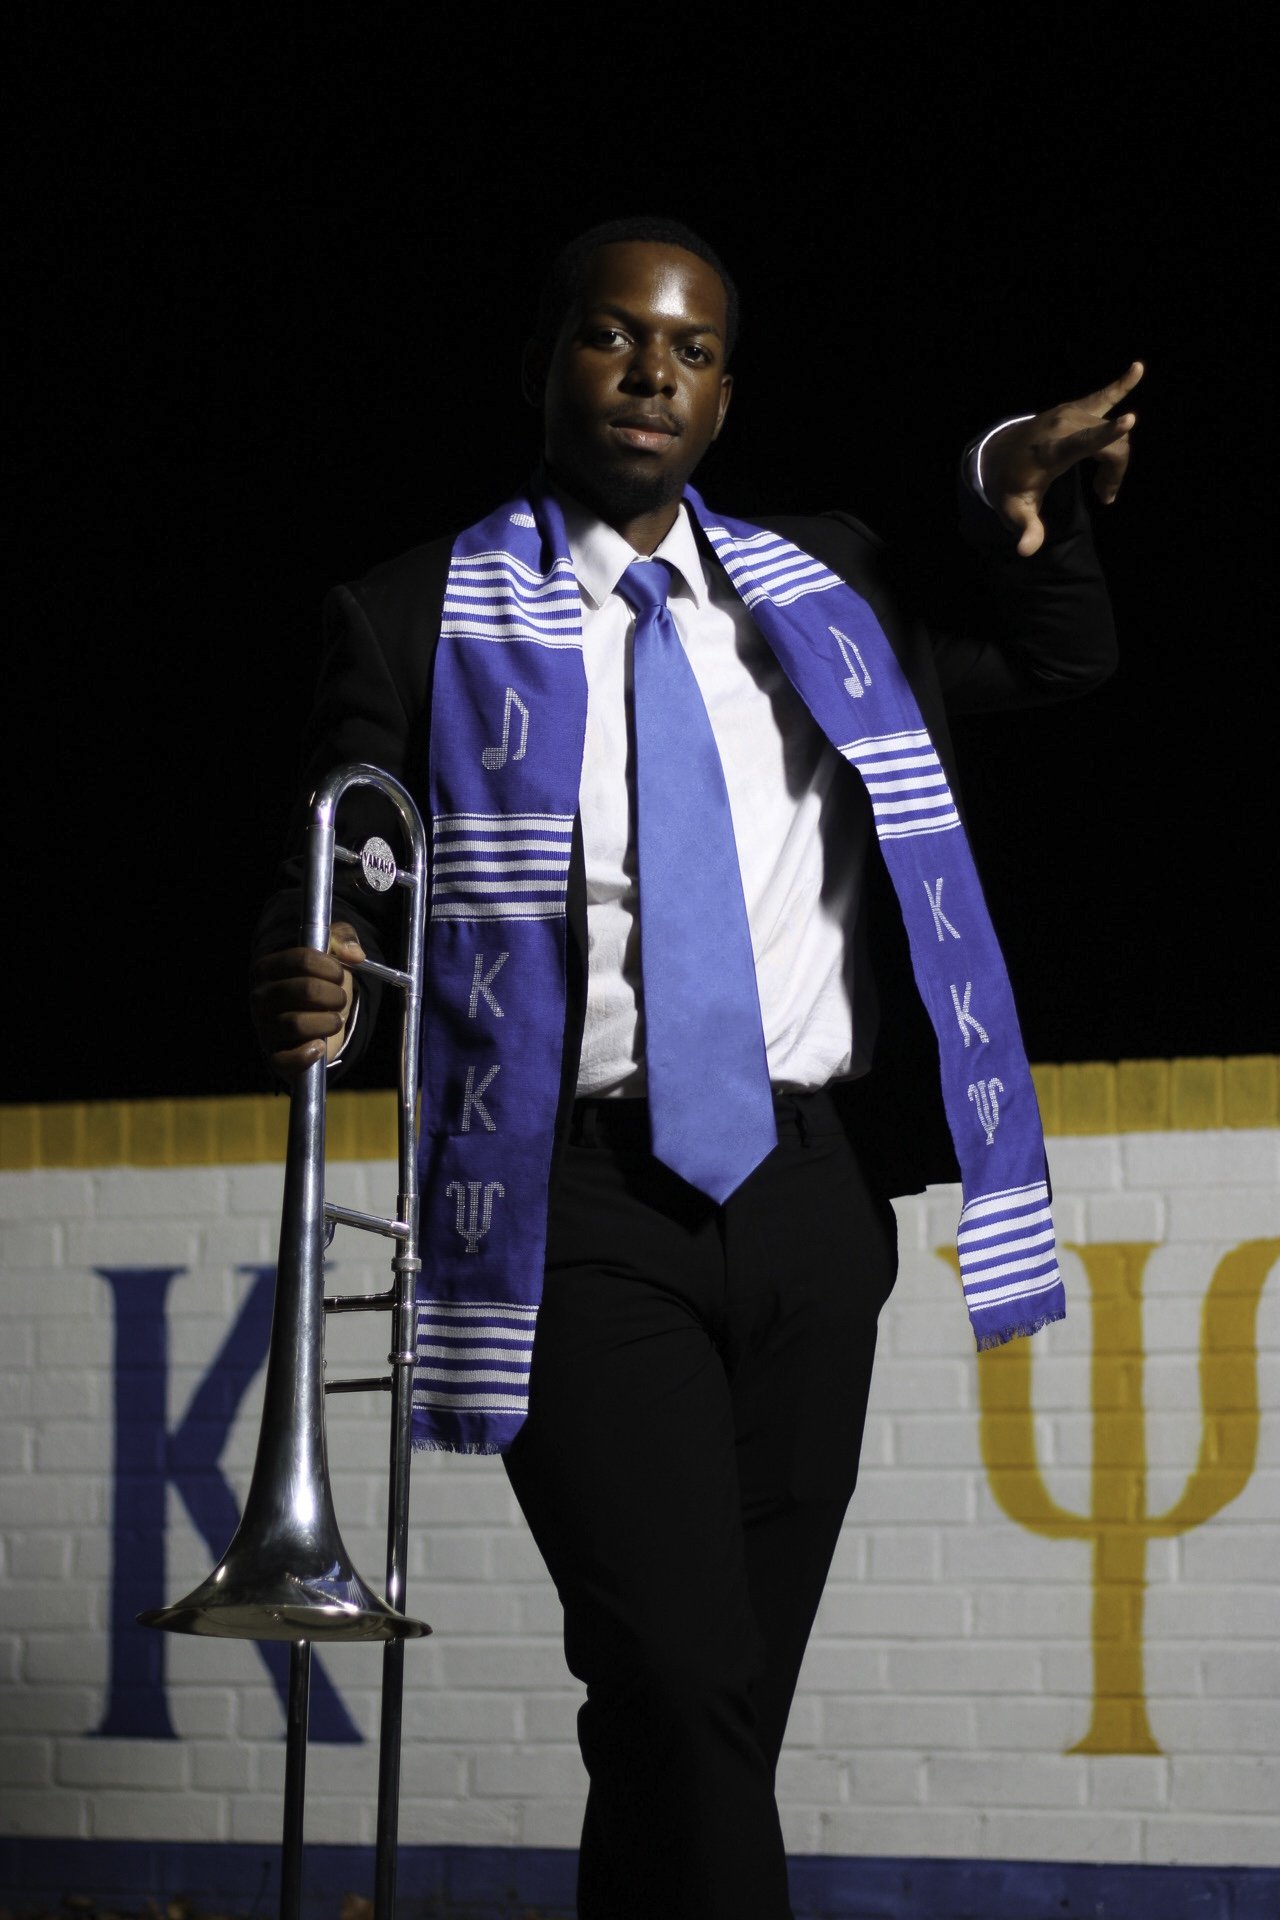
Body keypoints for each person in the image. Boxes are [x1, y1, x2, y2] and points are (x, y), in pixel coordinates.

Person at [251, 217, 1139, 1920]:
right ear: (549, 363)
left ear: (725, 399)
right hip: (573, 1215)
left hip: (816, 1206)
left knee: (701, 1720)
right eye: (614, 335)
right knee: (675, 1688)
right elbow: (341, 868)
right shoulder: (411, 614)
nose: (654, 370)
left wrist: (1023, 492)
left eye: (695, 350)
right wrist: (307, 975)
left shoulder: (835, 588)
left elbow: (1058, 662)